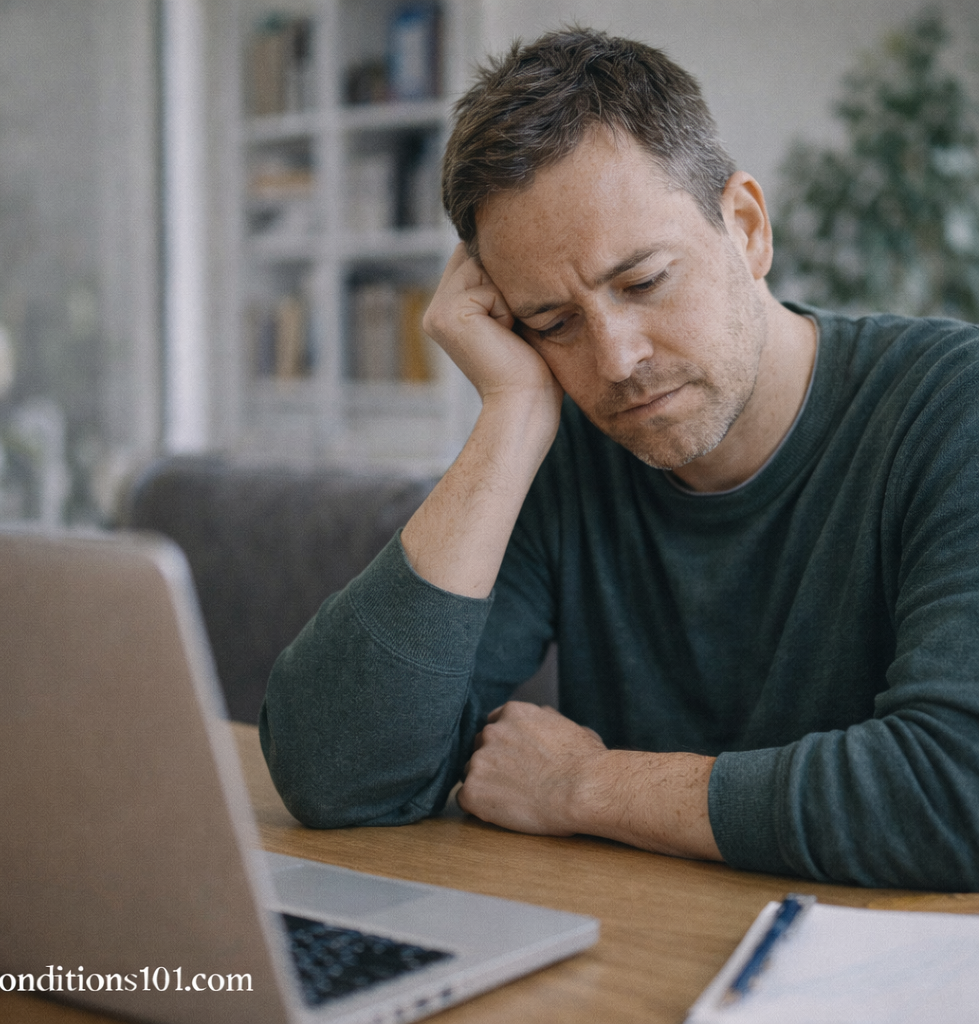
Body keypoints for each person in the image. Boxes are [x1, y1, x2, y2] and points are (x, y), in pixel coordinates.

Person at [259, 29, 979, 890]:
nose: (616, 360)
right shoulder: (578, 444)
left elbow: (956, 789)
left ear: (746, 228)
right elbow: (337, 775)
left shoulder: (953, 409)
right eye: (552, 322)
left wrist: (585, 786)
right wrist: (514, 414)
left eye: (642, 283)